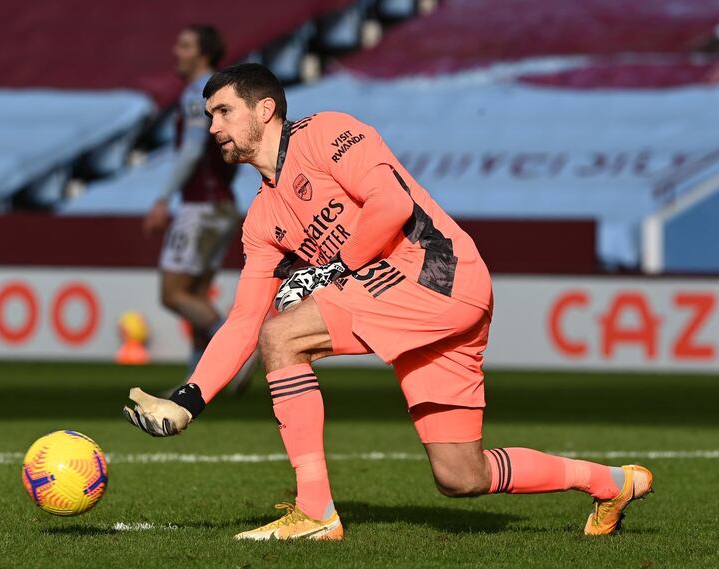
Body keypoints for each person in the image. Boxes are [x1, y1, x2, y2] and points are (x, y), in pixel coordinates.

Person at [124, 63, 654, 540]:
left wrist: (333, 268)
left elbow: (392, 204)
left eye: (223, 111)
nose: (212, 126)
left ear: (266, 110)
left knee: (282, 336)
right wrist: (189, 399)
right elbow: (241, 318)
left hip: (437, 276)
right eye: (209, 114)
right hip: (416, 305)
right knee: (460, 475)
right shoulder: (263, 220)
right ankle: (610, 483)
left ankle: (315, 512)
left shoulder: (326, 134)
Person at [143, 25, 254, 393]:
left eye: (185, 45)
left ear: (203, 53)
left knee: (173, 293)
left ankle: (240, 351)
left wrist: (162, 199)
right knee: (195, 295)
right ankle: (200, 379)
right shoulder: (224, 92)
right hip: (221, 204)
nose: (177, 51)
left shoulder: (198, 94)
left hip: (200, 205)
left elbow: (192, 151)